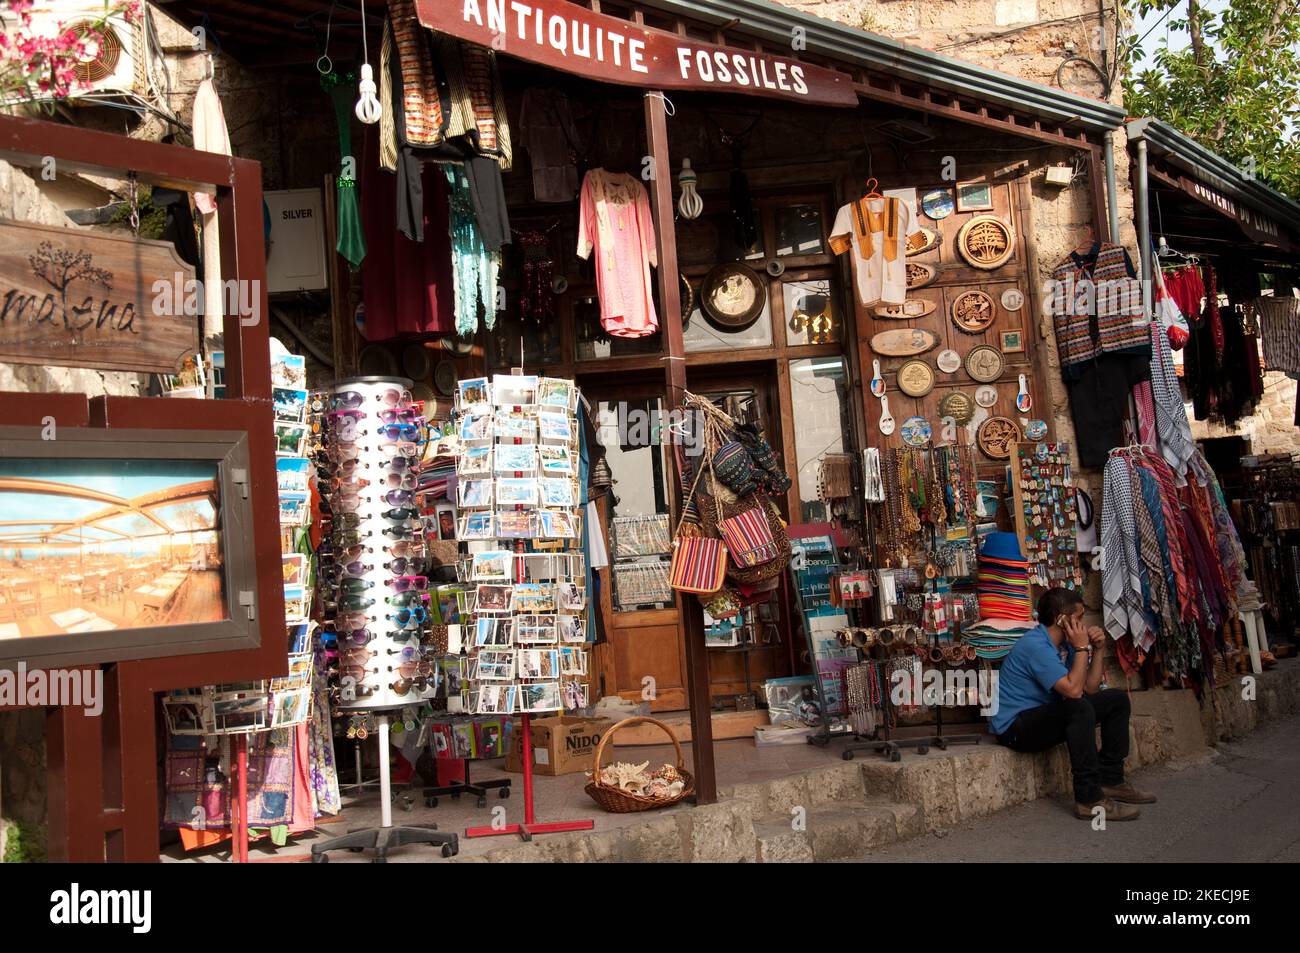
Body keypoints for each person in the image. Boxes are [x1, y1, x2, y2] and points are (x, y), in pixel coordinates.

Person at [989, 587, 1156, 821]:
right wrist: (1080, 647)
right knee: (1078, 707)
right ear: (1062, 620)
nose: (1083, 624)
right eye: (1078, 618)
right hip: (1014, 728)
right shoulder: (1035, 645)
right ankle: (1088, 798)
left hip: (1042, 717)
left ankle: (1110, 779)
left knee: (1116, 700)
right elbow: (1075, 692)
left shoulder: (1064, 645)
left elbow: (1089, 688)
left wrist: (1096, 650)